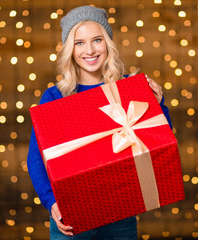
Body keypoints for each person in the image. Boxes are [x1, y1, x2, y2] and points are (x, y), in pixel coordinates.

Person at [27, 5, 173, 239]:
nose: (90, 50)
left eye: (97, 40)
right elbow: (36, 157)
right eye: (79, 42)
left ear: (108, 44)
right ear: (70, 50)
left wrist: (159, 106)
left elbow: (156, 143)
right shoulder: (55, 97)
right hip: (71, 217)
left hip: (120, 216)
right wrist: (51, 202)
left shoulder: (127, 88)